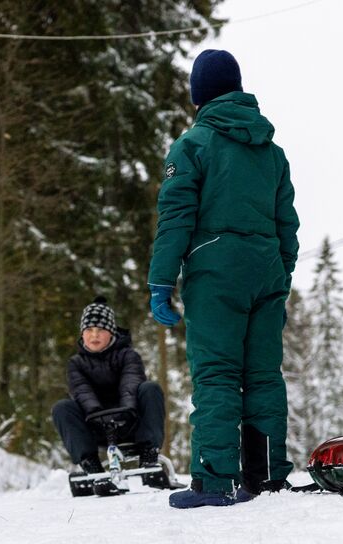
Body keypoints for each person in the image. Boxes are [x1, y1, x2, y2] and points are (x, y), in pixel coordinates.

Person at [147, 49, 298, 508]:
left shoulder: (193, 145)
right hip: (266, 270)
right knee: (263, 376)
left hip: (216, 272)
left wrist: (161, 281)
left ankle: (215, 481)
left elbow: (176, 217)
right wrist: (280, 272)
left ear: (200, 94)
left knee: (217, 374)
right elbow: (286, 223)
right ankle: (267, 476)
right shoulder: (272, 152)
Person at [51, 295, 166, 476]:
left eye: (100, 330)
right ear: (82, 334)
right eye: (89, 329)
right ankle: (91, 465)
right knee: (62, 407)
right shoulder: (76, 363)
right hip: (96, 425)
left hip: (131, 420)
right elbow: (81, 391)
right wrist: (98, 417)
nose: (94, 335)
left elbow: (131, 383)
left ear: (111, 332)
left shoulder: (128, 356)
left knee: (150, 389)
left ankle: (148, 455)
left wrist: (125, 413)